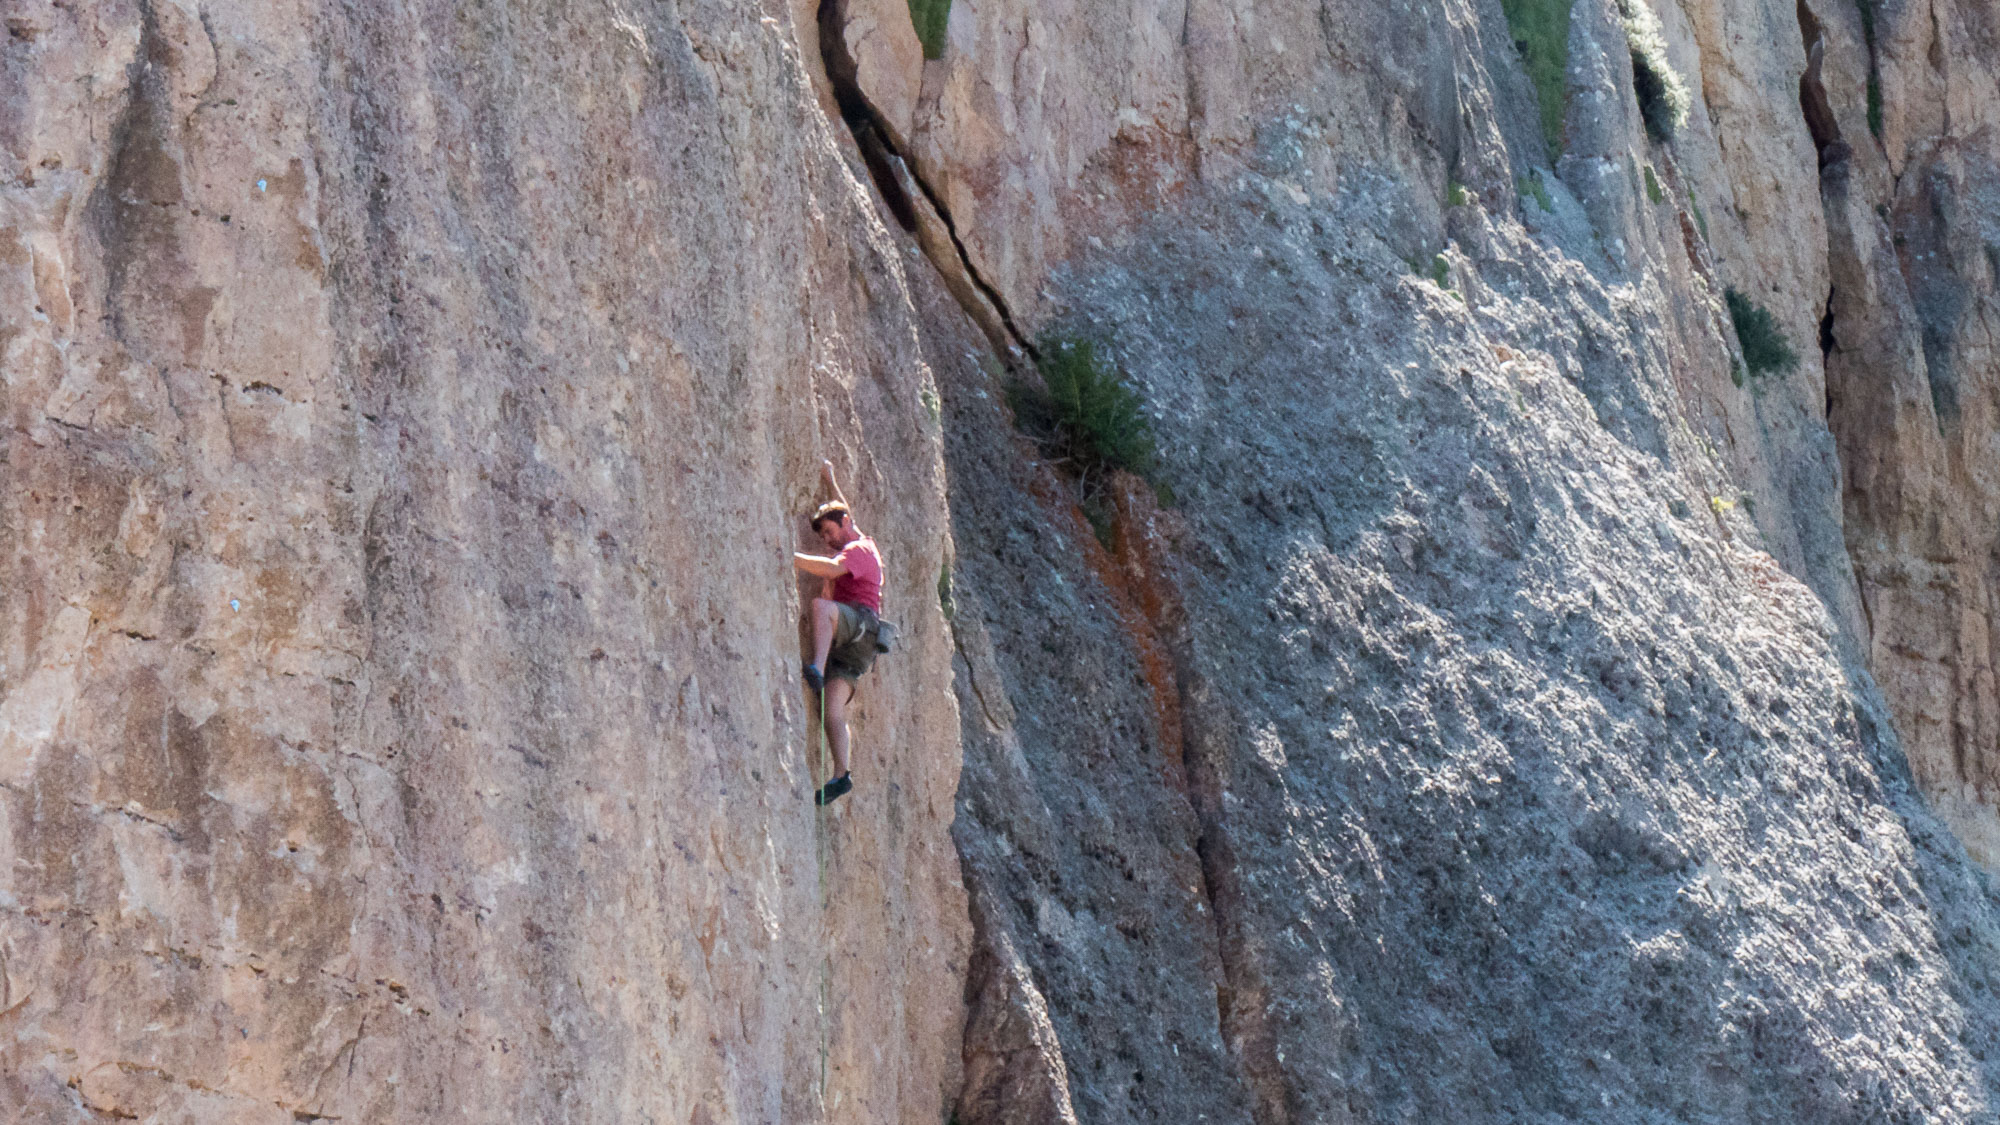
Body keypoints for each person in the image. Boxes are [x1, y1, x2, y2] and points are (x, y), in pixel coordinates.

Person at [792, 460, 884, 805]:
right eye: (824, 537)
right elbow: (845, 514)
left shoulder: (857, 551)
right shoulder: (858, 539)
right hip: (859, 647)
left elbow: (833, 568)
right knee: (832, 711)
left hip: (860, 625)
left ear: (843, 525)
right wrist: (830, 481)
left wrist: (791, 557)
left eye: (829, 533)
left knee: (821, 607)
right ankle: (842, 774)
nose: (828, 541)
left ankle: (816, 665)